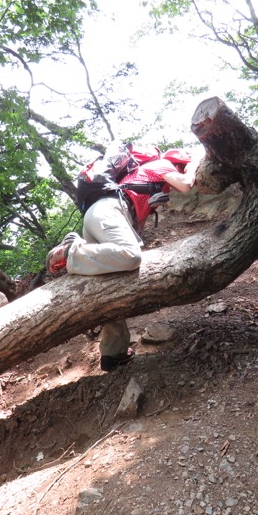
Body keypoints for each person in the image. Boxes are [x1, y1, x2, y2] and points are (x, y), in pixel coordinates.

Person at [46, 147, 202, 371]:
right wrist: (196, 160)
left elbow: (137, 223)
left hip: (101, 215)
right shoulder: (161, 164)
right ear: (179, 163)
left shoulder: (146, 182)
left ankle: (114, 353)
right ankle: (72, 251)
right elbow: (187, 184)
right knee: (130, 256)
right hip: (108, 211)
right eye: (183, 167)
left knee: (107, 282)